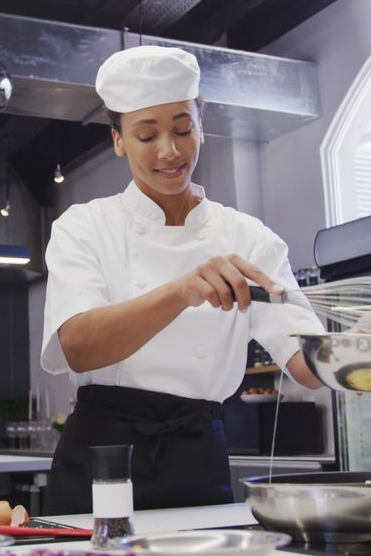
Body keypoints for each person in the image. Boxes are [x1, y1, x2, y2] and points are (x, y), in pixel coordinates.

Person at [40, 45, 327, 515]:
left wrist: (363, 351)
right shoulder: (85, 226)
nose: (169, 151)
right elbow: (79, 345)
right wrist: (181, 291)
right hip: (103, 460)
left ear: (201, 127)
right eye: (146, 135)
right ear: (118, 141)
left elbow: (306, 367)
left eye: (182, 129)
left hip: (198, 457)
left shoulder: (247, 237)